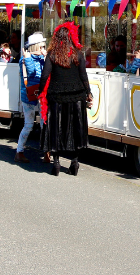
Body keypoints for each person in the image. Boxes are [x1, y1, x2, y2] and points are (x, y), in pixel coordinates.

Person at [38, 22, 92, 176]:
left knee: (56, 128)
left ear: (56, 38)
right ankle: (74, 162)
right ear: (70, 37)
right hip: (77, 97)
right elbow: (83, 75)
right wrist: (88, 93)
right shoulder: (78, 54)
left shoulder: (52, 54)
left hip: (56, 97)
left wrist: (40, 92)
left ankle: (56, 163)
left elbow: (45, 75)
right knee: (75, 129)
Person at [15, 32, 47, 164]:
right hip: (28, 96)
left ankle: (47, 151)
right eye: (41, 47)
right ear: (35, 47)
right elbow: (32, 72)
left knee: (44, 123)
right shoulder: (24, 59)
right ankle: (19, 151)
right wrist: (28, 59)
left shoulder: (42, 58)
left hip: (41, 95)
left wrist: (46, 58)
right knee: (28, 125)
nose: (43, 49)